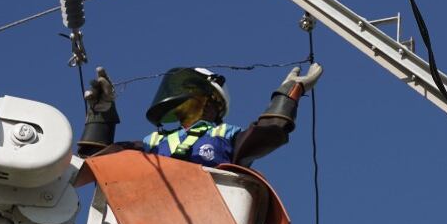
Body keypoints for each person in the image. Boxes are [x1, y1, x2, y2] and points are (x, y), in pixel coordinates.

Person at [138, 64, 322, 168]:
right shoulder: (153, 141)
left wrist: (289, 91)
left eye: (190, 89)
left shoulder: (227, 135)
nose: (180, 95)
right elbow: (110, 158)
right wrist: (107, 109)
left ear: (213, 100)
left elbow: (268, 133)